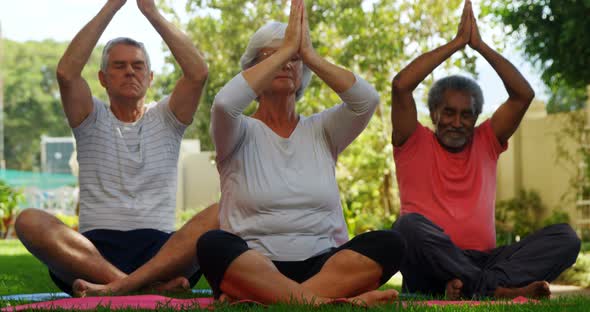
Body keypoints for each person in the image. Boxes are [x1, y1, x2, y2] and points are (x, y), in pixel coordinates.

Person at [195, 0, 405, 306]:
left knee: (390, 242)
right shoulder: (236, 130)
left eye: (293, 58)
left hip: (322, 265)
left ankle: (272, 299)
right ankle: (322, 302)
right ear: (254, 70)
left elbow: (367, 100)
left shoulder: (324, 129)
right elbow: (224, 103)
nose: (285, 63)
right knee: (212, 245)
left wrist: (309, 54)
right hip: (254, 263)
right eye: (272, 56)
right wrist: (286, 50)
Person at [14, 0, 217, 296]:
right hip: (93, 255)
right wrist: (113, 6)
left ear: (150, 78)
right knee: (28, 221)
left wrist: (150, 11)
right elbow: (66, 73)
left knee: (222, 213)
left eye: (138, 66)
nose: (129, 72)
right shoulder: (90, 117)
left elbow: (198, 73)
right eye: (119, 66)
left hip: (161, 254)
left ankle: (120, 288)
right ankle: (143, 289)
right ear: (103, 79)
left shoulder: (167, 118)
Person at [390, 0, 580, 299]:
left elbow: (523, 95)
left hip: (487, 259)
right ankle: (496, 290)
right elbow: (401, 85)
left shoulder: (486, 140)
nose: (456, 122)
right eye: (449, 112)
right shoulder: (412, 140)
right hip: (429, 261)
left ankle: (474, 286)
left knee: (566, 238)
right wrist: (456, 44)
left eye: (466, 115)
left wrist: (480, 46)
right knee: (406, 227)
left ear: (476, 118)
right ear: (434, 113)